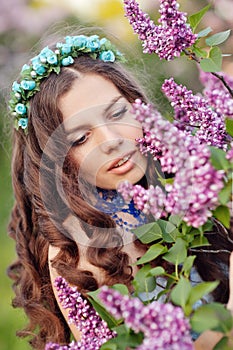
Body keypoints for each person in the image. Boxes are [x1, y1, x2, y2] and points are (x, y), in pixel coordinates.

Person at [6, 31, 233, 350]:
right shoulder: (80, 252)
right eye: (80, 138)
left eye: (117, 113)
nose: (111, 139)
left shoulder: (191, 178)